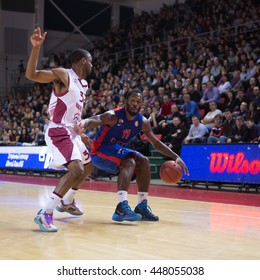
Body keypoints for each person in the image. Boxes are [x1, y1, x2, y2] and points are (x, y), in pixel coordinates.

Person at [79, 88, 189, 222]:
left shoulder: (142, 122)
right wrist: (81, 125)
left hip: (116, 150)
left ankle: (142, 205)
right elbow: (93, 119)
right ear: (125, 101)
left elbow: (156, 143)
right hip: (99, 151)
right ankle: (121, 207)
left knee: (144, 161)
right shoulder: (113, 116)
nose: (135, 104)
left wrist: (176, 157)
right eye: (132, 101)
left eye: (138, 101)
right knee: (129, 161)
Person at [25, 27, 94, 232]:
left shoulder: (83, 84)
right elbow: (32, 74)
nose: (91, 65)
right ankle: (46, 213)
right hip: (58, 132)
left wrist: (80, 133)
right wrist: (36, 48)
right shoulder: (64, 75)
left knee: (88, 167)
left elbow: (73, 113)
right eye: (90, 61)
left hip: (71, 133)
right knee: (77, 169)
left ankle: (67, 202)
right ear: (83, 61)